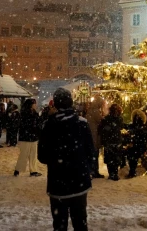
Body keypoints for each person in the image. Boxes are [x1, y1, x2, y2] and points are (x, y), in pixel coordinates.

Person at [38, 88, 96, 231]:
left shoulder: (49, 125)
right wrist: (85, 168)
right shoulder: (82, 123)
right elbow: (91, 152)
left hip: (58, 183)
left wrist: (57, 161)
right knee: (80, 220)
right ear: (71, 102)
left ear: (55, 104)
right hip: (79, 181)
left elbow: (42, 156)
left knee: (59, 223)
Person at [15, 98, 42, 177]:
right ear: (31, 105)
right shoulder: (25, 113)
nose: (35, 105)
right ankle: (18, 169)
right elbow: (29, 124)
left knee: (33, 155)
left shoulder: (32, 113)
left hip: (31, 137)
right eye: (34, 103)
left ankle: (33, 170)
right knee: (24, 154)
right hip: (27, 137)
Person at [99, 104, 126, 181]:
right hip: (115, 140)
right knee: (115, 158)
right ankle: (114, 173)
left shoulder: (106, 119)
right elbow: (120, 127)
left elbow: (101, 130)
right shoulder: (118, 119)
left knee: (110, 158)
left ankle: (112, 174)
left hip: (109, 141)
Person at [125, 109, 147, 178]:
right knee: (132, 155)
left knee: (132, 155)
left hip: (139, 145)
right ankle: (132, 171)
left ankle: (132, 171)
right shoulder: (143, 126)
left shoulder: (143, 126)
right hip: (138, 145)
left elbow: (146, 134)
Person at [85, 94, 106, 179]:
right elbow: (101, 121)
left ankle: (92, 170)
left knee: (93, 153)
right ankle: (94, 171)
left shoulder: (90, 110)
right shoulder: (95, 111)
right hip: (95, 135)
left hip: (91, 134)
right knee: (95, 153)